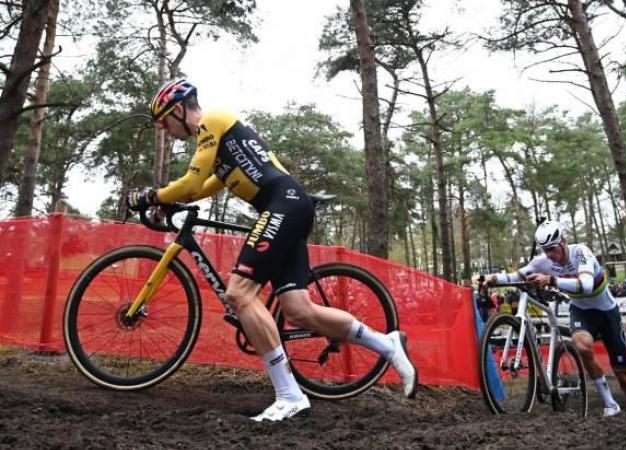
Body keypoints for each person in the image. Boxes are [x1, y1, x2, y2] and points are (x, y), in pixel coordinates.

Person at [126, 78, 418, 421]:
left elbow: (189, 183)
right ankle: (388, 344)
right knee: (298, 310)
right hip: (290, 207)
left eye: (164, 121)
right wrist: (168, 202)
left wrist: (151, 196)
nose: (165, 129)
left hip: (284, 205)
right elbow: (200, 188)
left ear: (178, 109)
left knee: (238, 293)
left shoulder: (212, 121)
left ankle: (289, 395)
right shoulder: (220, 147)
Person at [472, 220, 626, 416]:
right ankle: (610, 404)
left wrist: (551, 280)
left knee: (622, 374)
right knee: (583, 346)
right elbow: (514, 276)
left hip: (607, 313)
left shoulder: (581, 253)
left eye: (553, 249)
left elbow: (586, 285)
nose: (550, 255)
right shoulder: (542, 262)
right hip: (581, 311)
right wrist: (491, 279)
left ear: (564, 241)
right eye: (546, 251)